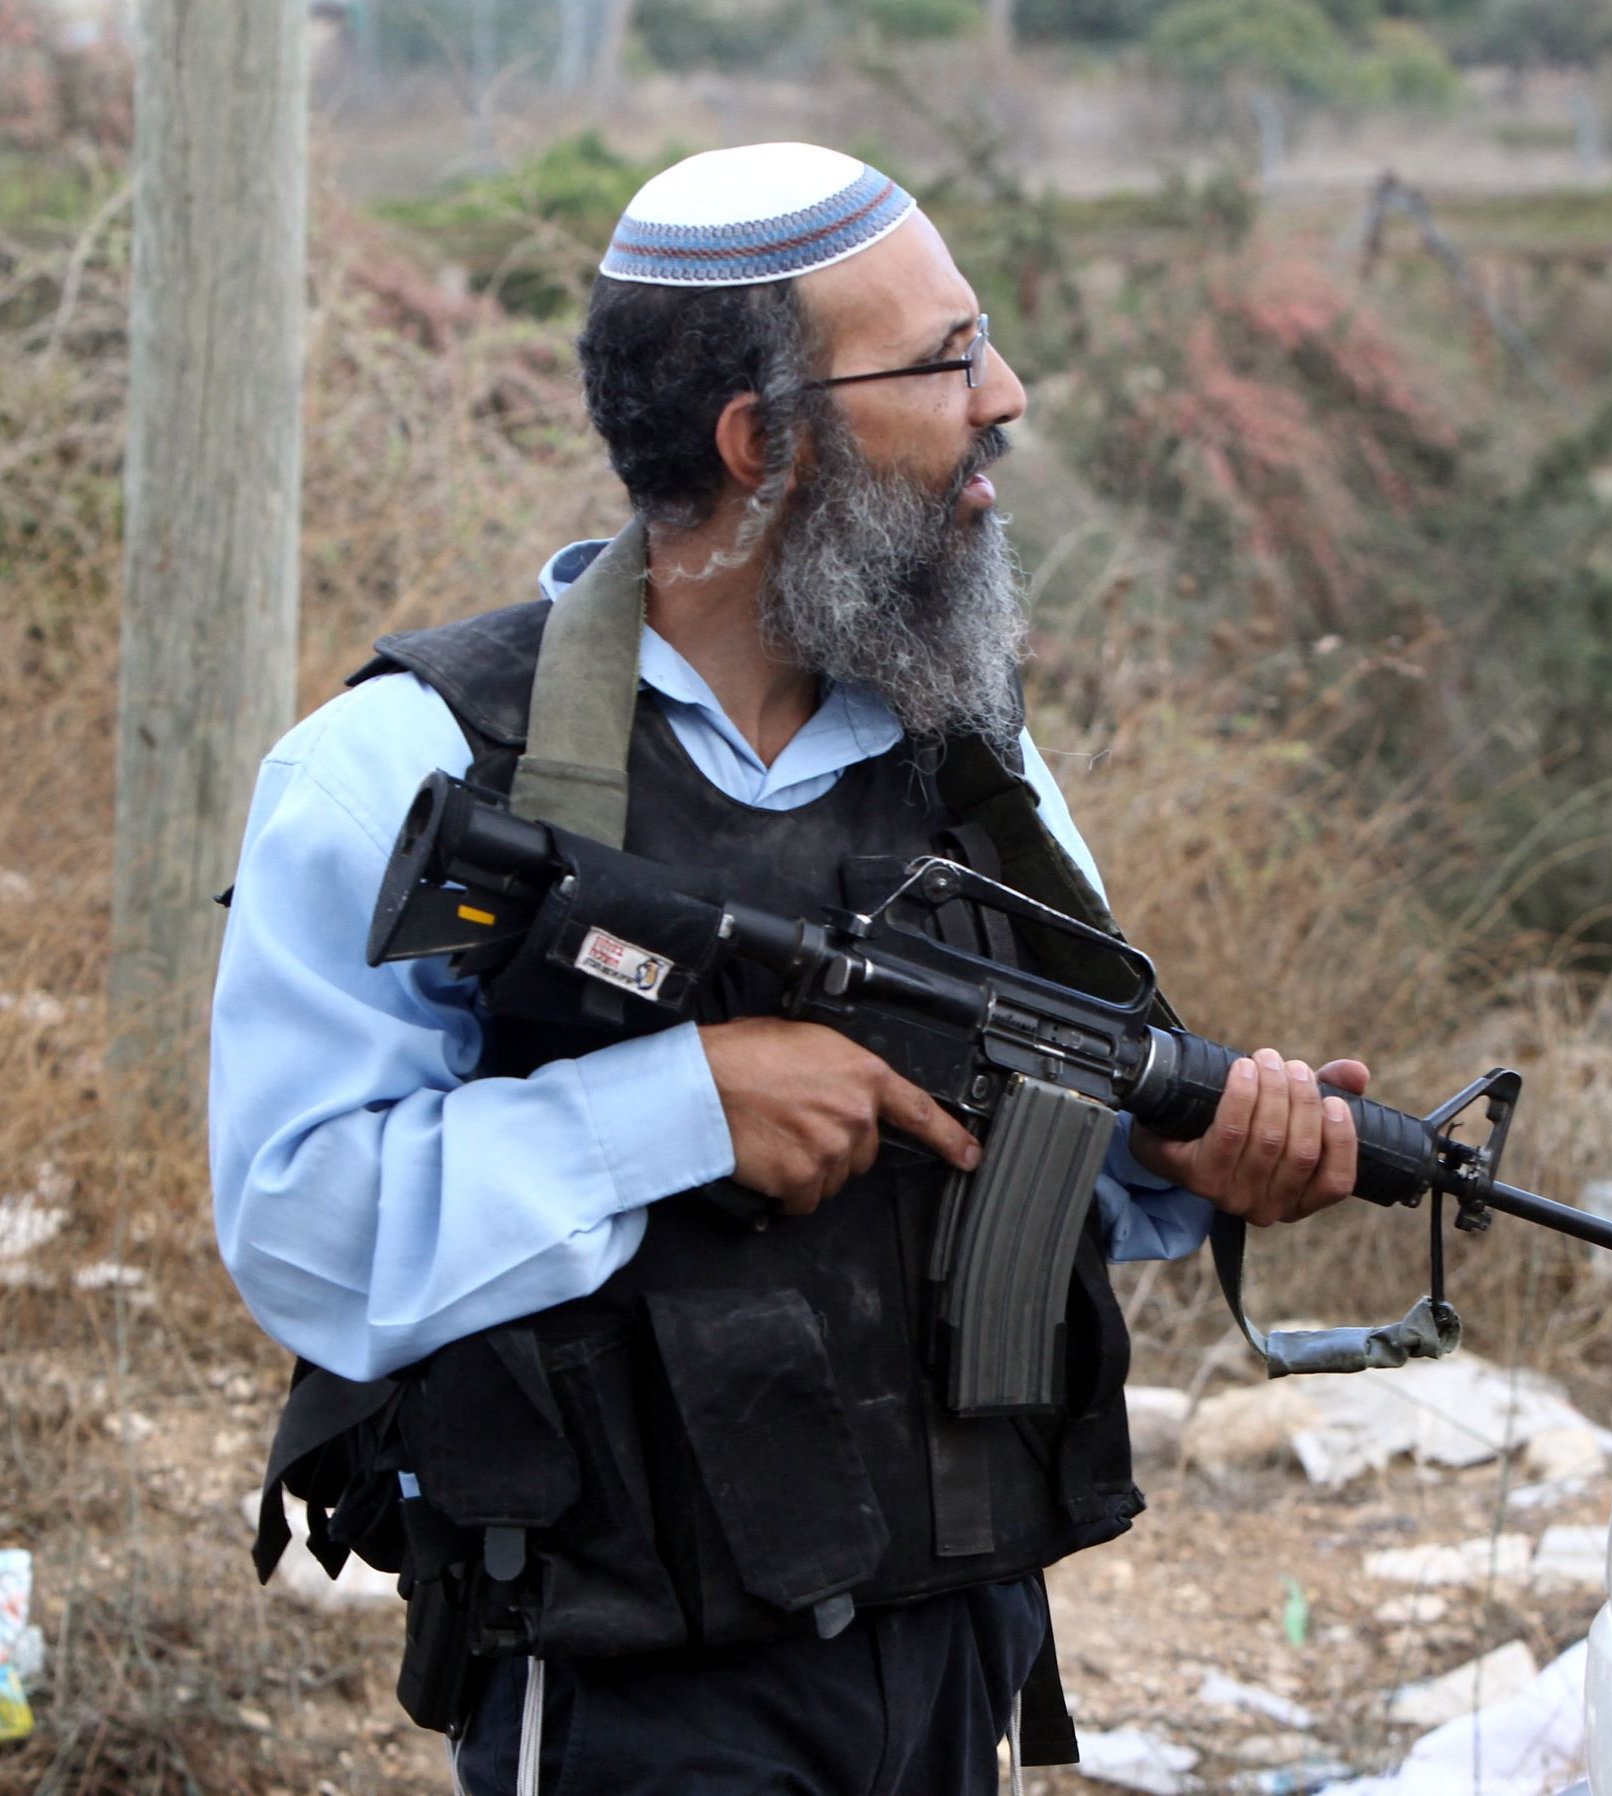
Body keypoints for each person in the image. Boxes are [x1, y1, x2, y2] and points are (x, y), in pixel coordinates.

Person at [212, 143, 1369, 1796]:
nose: (1006, 399)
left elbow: (1040, 1152)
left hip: (947, 1641)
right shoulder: (401, 768)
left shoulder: (974, 766)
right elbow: (306, 1233)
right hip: (640, 1678)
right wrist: (681, 1104)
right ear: (764, 445)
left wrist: (1190, 1155)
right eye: (946, 358)